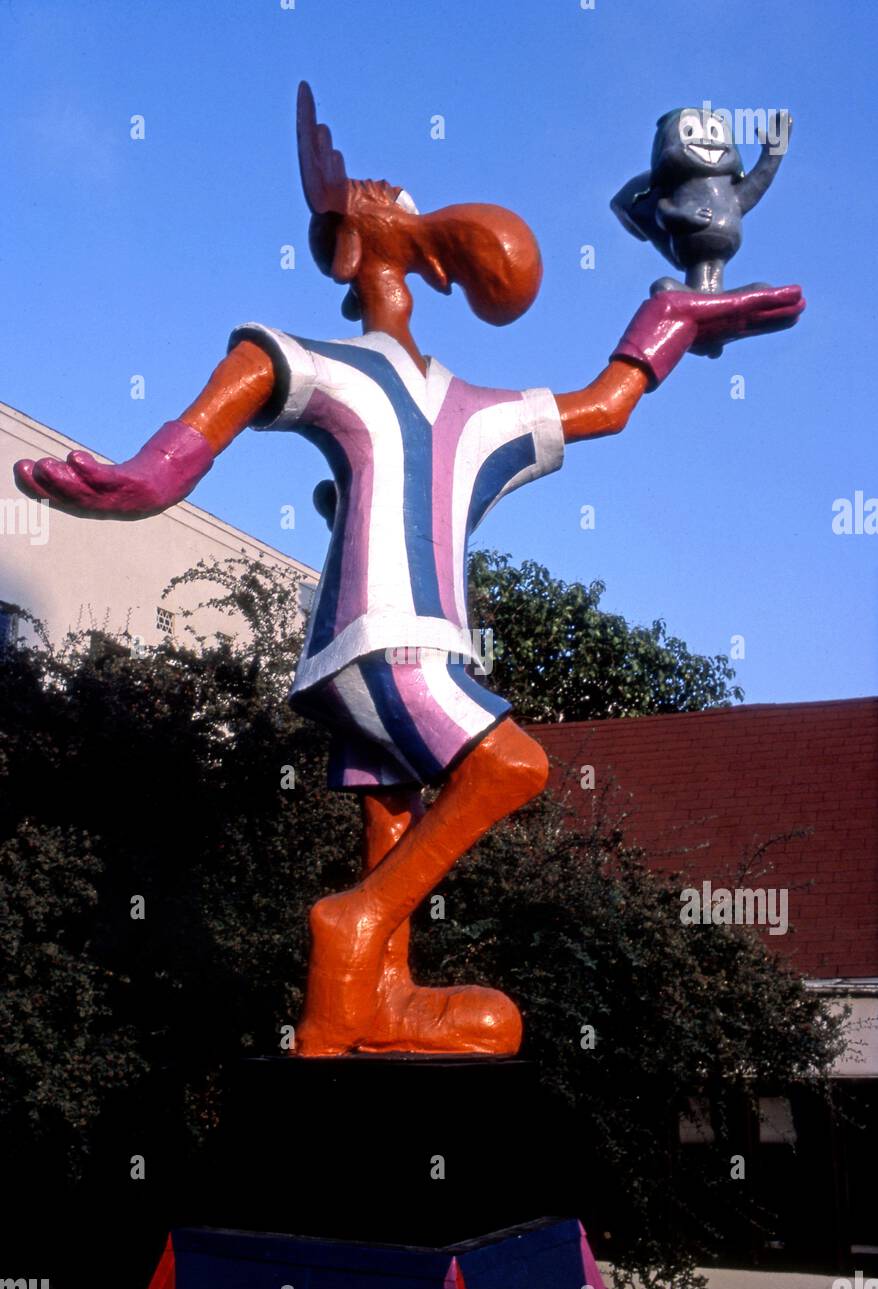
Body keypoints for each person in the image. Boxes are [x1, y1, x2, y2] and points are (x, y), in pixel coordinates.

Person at [15, 83, 805, 1057]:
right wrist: (137, 481)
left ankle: (371, 998)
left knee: (395, 814)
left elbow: (604, 404)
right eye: (369, 196)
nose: (385, 187)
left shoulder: (478, 409)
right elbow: (198, 431)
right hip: (377, 637)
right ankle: (350, 928)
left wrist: (674, 311)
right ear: (355, 246)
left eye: (387, 191)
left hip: (401, 650)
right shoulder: (310, 360)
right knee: (511, 766)